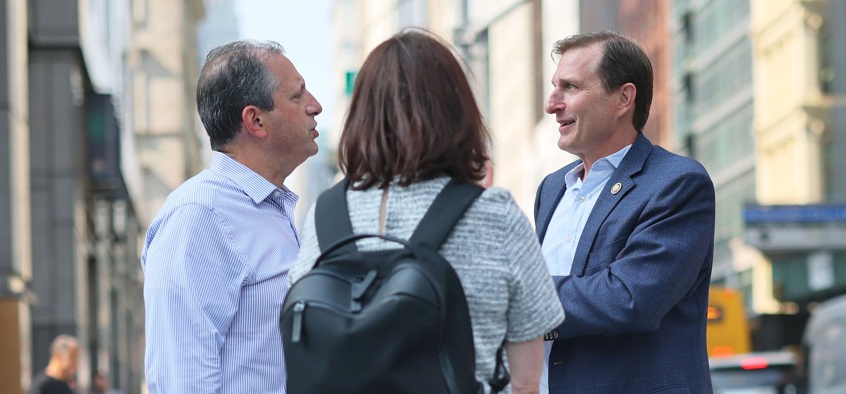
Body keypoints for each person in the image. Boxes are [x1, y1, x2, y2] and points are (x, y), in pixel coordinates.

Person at [288, 29, 564, 394]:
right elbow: (527, 381)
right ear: (457, 109)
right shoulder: (494, 216)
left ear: (363, 115)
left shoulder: (324, 216)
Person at [534, 30, 716, 393]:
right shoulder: (551, 189)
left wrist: (516, 298)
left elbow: (629, 298)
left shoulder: (678, 183)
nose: (552, 104)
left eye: (570, 87)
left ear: (623, 98)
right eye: (554, 87)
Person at [141, 40, 322, 393]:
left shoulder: (272, 209)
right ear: (255, 120)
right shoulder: (199, 216)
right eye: (298, 96)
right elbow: (183, 380)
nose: (315, 106)